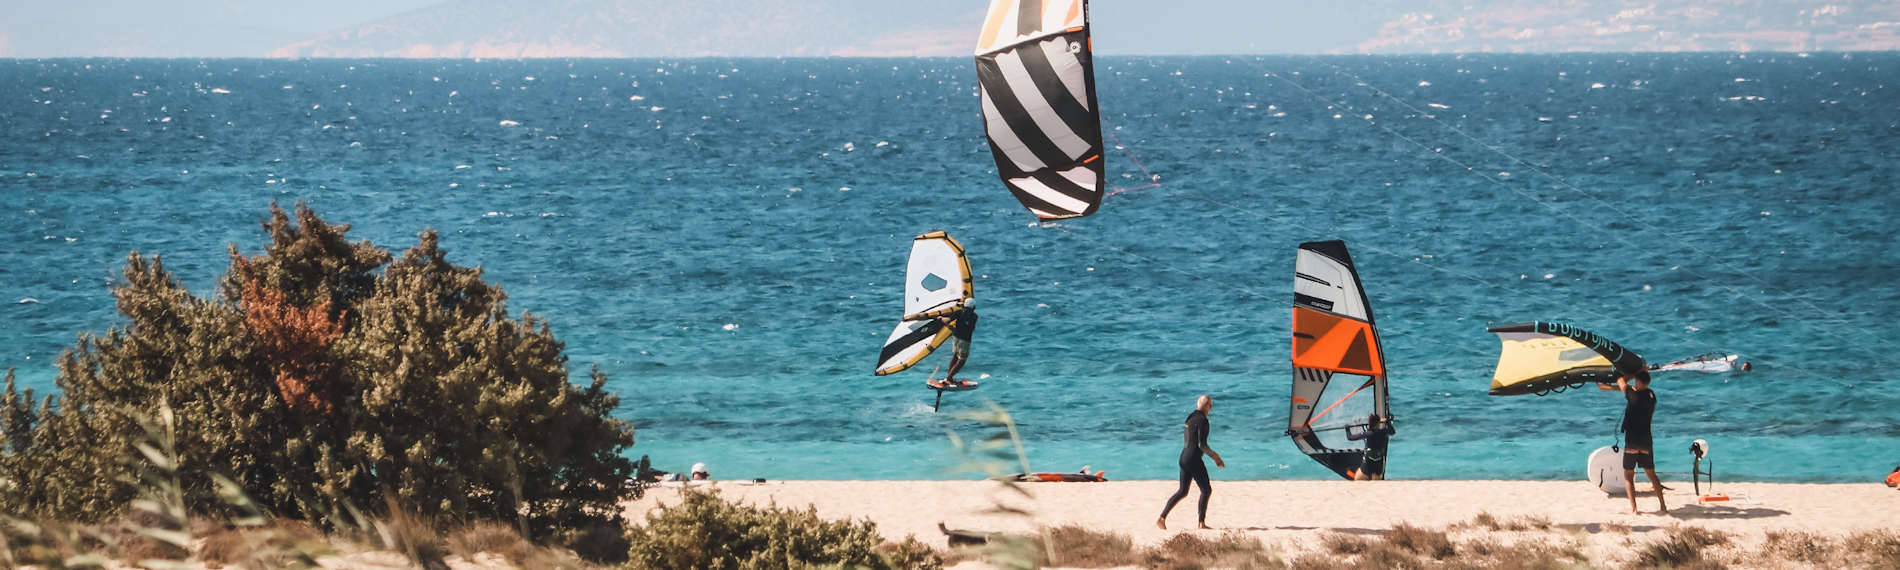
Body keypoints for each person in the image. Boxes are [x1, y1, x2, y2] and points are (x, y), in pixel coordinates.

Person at [1600, 370, 1666, 514]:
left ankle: (1634, 509)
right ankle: (1663, 507)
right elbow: (1629, 388)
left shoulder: (1633, 395)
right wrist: (1610, 387)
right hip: (1646, 442)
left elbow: (1620, 380)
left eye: (1636, 380)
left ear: (1638, 382)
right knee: (1652, 475)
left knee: (1628, 476)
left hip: (1632, 441)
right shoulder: (1651, 396)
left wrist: (1633, 371)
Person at [1158, 395, 1225, 530]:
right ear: (1208, 407)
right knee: (1206, 490)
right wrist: (1215, 457)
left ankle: (1161, 518)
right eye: (1210, 406)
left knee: (1183, 491)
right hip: (1193, 459)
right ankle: (1201, 523)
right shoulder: (1203, 421)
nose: (1211, 408)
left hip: (1183, 457)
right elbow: (1202, 445)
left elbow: (1189, 441)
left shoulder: (1189, 418)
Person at [937, 303, 978, 386]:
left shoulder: (959, 312)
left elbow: (947, 320)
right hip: (965, 340)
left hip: (956, 338)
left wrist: (940, 318)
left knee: (955, 356)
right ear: (974, 307)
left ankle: (949, 376)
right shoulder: (975, 316)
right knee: (962, 360)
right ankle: (949, 378)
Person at [1346, 413, 1395, 481]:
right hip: (1379, 461)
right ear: (1378, 423)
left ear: (1369, 423)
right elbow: (1392, 432)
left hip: (1368, 462)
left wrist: (1347, 429)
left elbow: (1350, 437)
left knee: (1357, 480)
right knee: (1376, 483)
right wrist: (1387, 422)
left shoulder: (1368, 433)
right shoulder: (1383, 431)